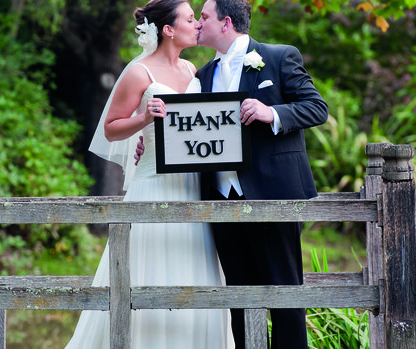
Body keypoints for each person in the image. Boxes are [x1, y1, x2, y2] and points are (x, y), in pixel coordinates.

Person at [135, 0, 328, 348]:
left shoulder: (278, 56)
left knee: (285, 299)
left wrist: (272, 112)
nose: (197, 24)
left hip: (273, 198)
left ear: (224, 23)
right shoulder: (202, 75)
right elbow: (188, 130)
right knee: (239, 299)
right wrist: (149, 142)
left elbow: (317, 108)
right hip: (221, 202)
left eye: (203, 17)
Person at [65, 0, 233, 348]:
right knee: (145, 269)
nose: (197, 24)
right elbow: (111, 129)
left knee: (195, 270)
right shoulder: (140, 72)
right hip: (155, 184)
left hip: (191, 187)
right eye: (190, 18)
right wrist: (143, 120)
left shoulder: (193, 70)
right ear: (168, 30)